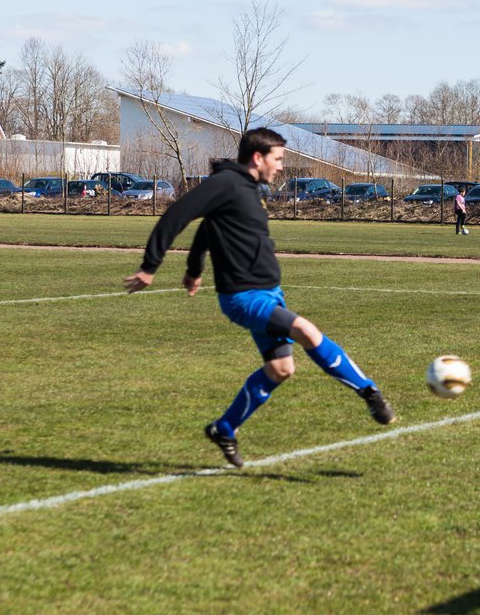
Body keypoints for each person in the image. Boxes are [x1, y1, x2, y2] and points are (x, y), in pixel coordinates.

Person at [123, 127, 396, 468]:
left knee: (281, 369)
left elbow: (209, 229)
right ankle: (370, 392)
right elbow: (176, 215)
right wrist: (150, 266)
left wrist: (194, 268)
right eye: (278, 159)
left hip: (269, 294)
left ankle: (224, 428)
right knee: (308, 332)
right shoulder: (224, 184)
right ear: (257, 157)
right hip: (243, 297)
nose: (281, 166)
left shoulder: (251, 189)